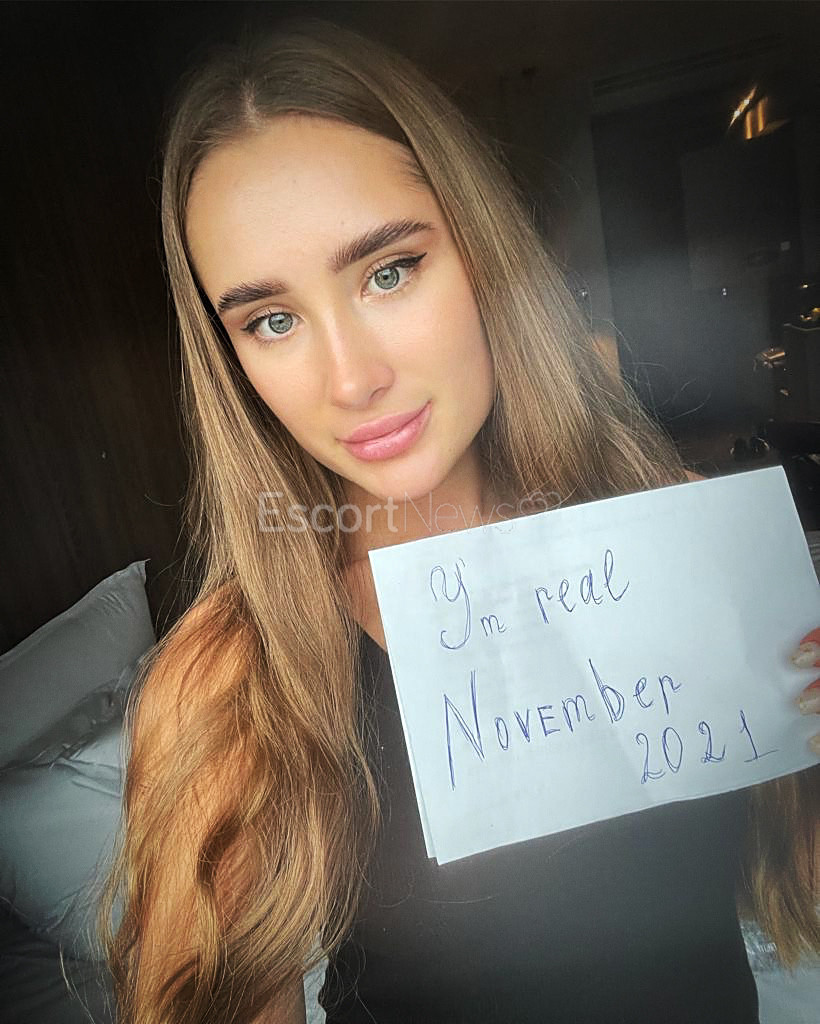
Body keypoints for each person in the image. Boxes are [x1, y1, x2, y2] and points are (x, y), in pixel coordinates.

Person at [101, 18, 820, 1024]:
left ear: (483, 256)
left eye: (389, 270)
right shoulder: (229, 682)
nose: (352, 379)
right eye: (273, 320)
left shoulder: (677, 538)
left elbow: (794, 880)